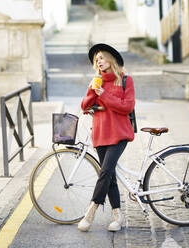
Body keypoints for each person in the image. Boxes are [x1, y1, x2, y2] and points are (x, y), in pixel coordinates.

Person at [78, 43, 135, 232]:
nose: (99, 62)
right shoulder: (97, 82)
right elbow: (85, 106)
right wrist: (93, 90)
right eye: (96, 60)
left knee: (105, 172)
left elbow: (126, 107)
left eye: (101, 57)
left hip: (119, 134)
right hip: (101, 134)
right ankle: (118, 216)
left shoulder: (126, 80)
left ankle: (91, 211)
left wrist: (104, 95)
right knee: (109, 177)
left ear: (110, 59)